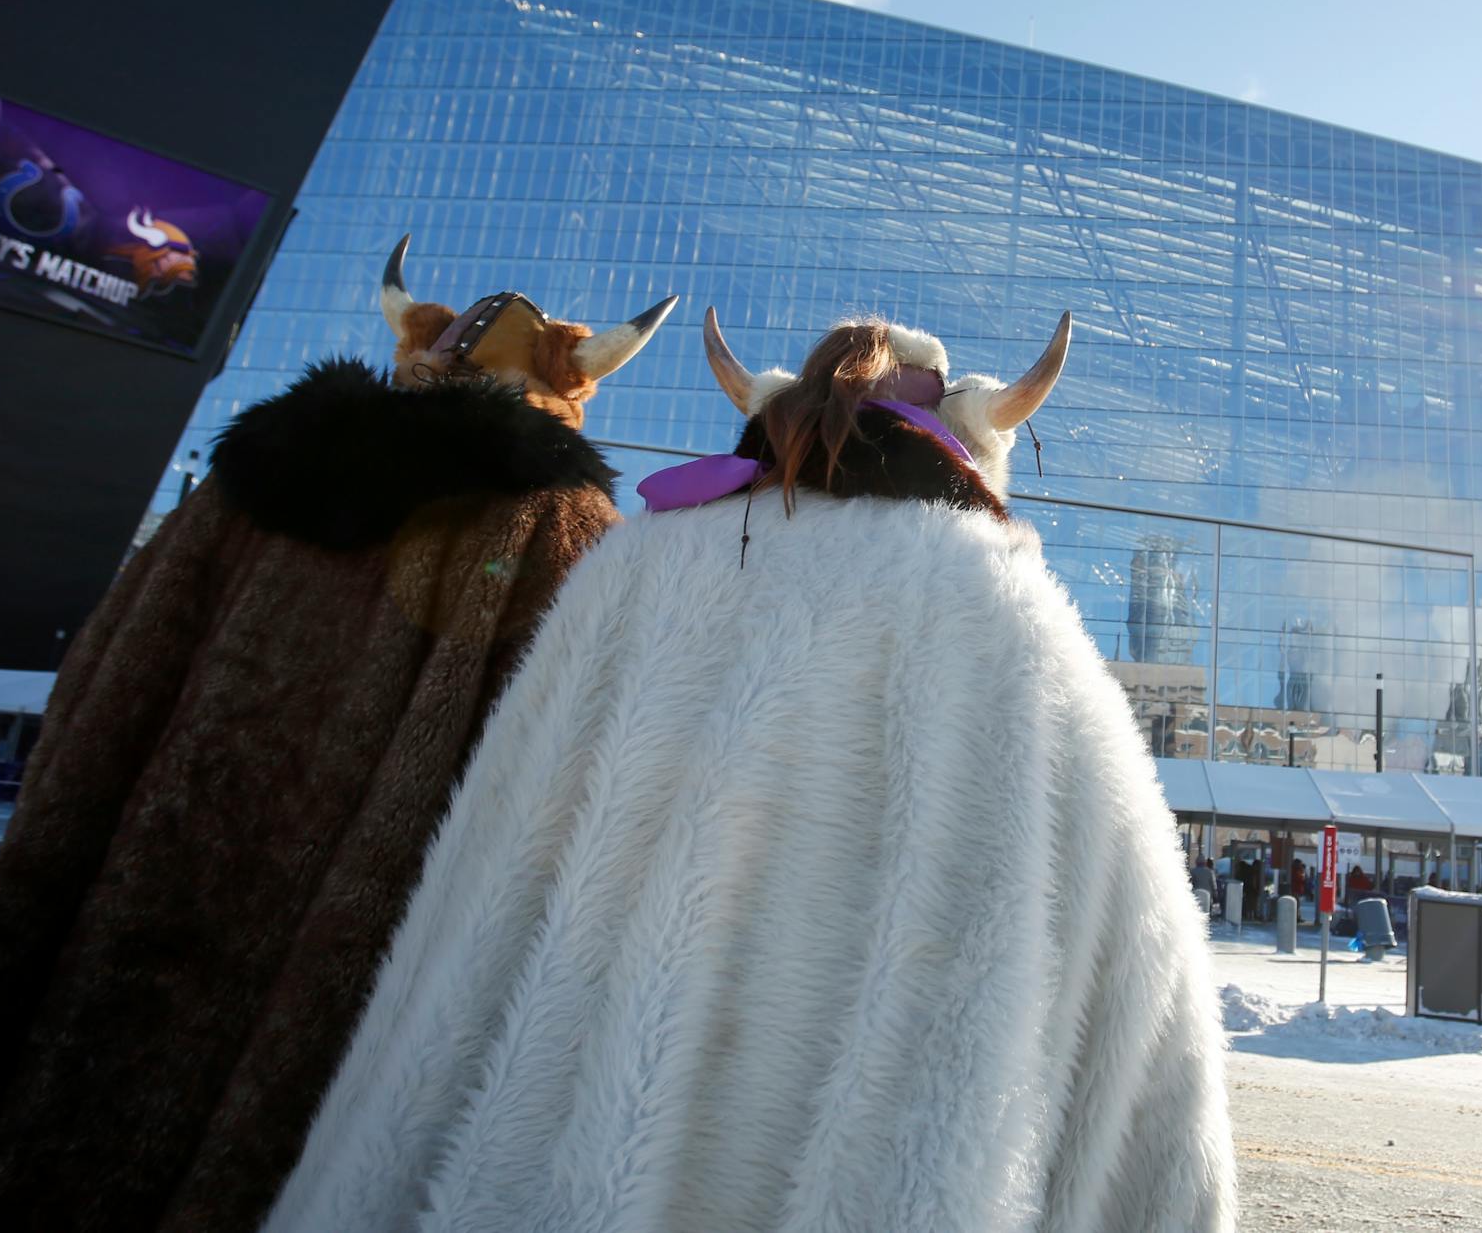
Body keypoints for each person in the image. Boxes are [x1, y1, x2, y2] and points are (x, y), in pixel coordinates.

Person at [262, 310, 1236, 1232]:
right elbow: (1146, 980)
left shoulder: (630, 566)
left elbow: (483, 869)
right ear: (965, 431)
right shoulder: (1012, 614)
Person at [0, 239, 676, 1233]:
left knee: (29, 1128)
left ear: (416, 361)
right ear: (565, 387)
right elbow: (576, 762)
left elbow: (99, 677)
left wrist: (61, 832)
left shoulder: (241, 487)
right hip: (356, 935)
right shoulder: (555, 521)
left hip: (137, 881)